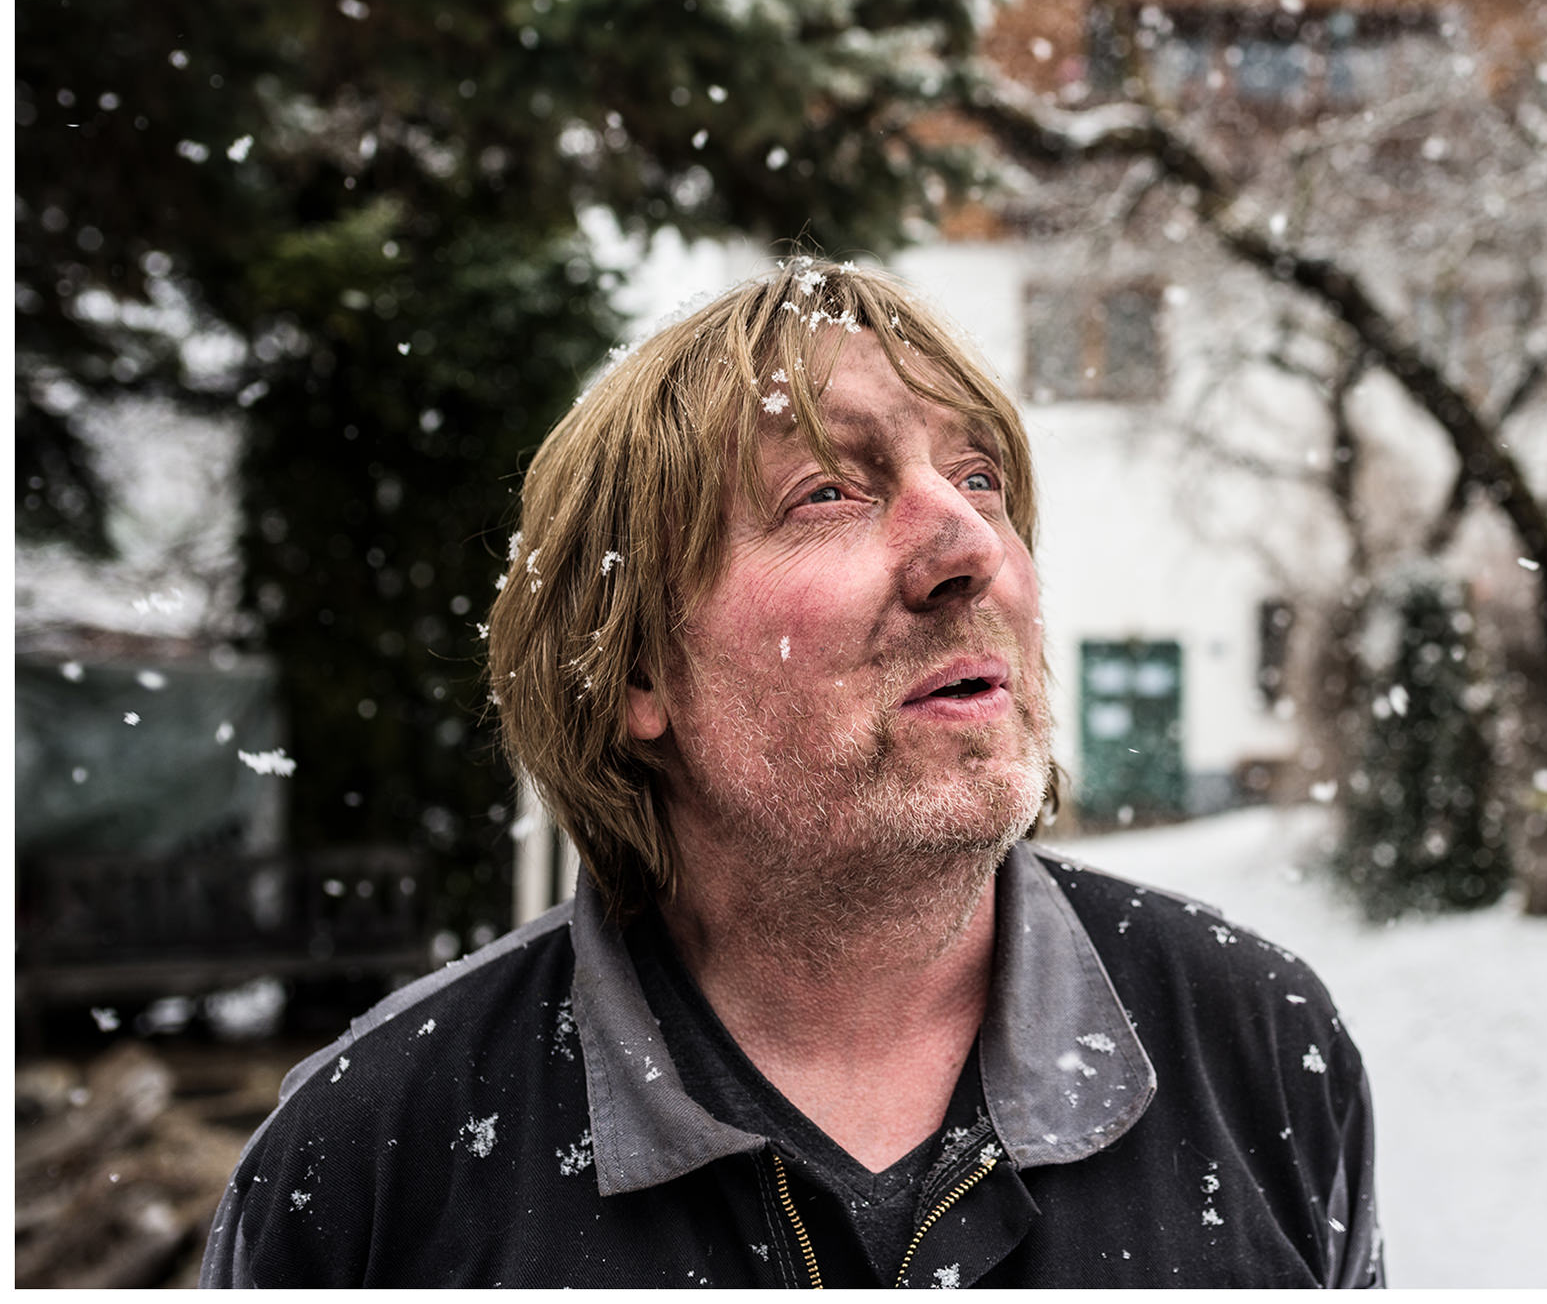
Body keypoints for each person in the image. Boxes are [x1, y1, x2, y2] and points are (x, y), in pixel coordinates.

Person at [199, 261, 1381, 1287]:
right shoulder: (374, 1158)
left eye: (980, 481)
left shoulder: (1261, 1051)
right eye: (828, 491)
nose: (972, 548)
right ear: (636, 670)